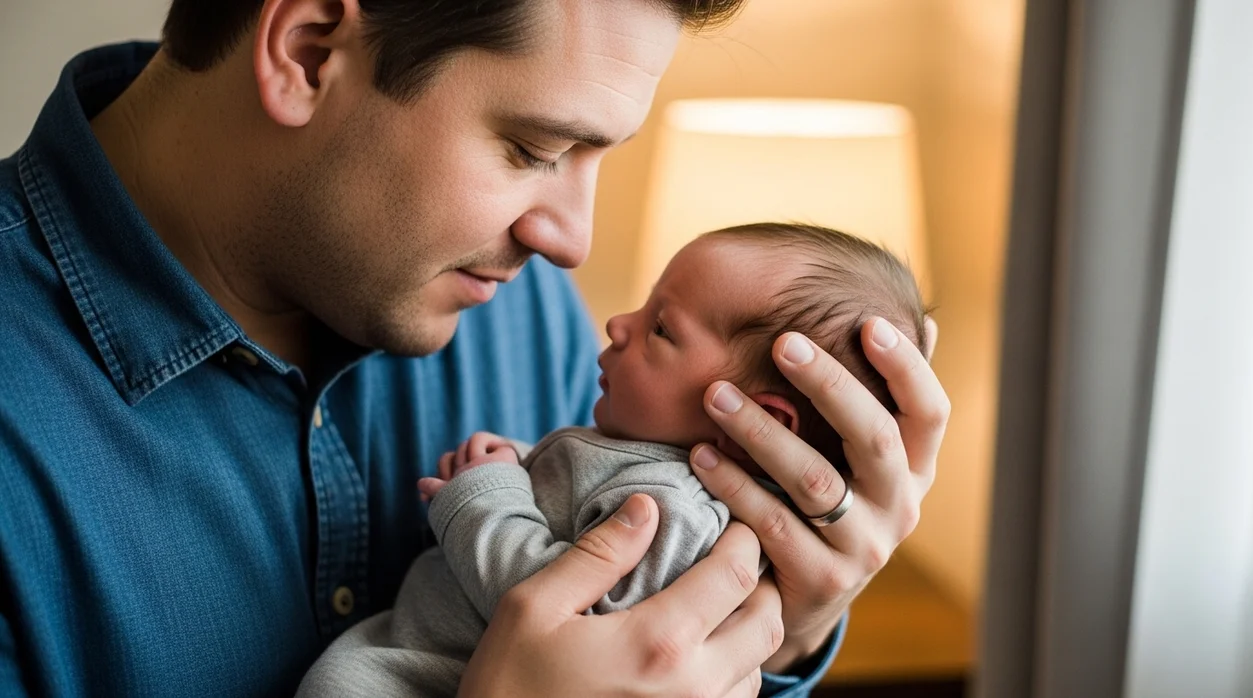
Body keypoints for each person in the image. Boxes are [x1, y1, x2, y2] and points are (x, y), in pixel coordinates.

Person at [0, 0, 950, 695]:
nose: (571, 243)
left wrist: (780, 625)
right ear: (309, 51)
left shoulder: (516, 308)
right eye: (534, 150)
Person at [296, 223, 930, 697]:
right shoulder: (637, 453)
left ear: (757, 422)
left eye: (662, 329)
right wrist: (515, 463)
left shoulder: (671, 511)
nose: (617, 324)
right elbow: (566, 495)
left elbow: (551, 611)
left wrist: (484, 495)